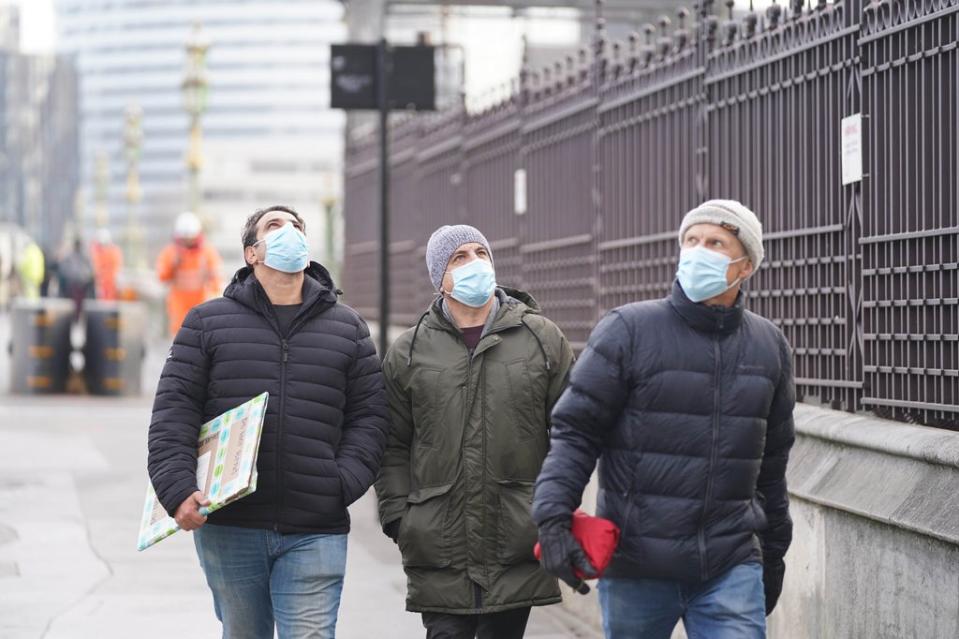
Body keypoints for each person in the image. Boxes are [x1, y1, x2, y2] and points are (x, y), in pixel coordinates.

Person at [532, 200, 796, 639]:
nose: (698, 251)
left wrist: (773, 557)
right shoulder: (628, 330)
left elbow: (772, 466)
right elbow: (575, 433)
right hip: (638, 564)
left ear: (745, 266)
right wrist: (553, 518)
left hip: (729, 565)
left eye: (715, 242)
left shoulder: (769, 347)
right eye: (691, 240)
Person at [148, 205, 390, 639]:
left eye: (296, 226)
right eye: (274, 226)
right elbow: (174, 411)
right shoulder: (207, 324)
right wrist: (177, 488)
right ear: (251, 253)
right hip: (231, 525)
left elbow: (370, 417)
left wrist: (339, 484)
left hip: (315, 527)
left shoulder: (347, 329)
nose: (289, 232)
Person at [375, 225, 575, 639]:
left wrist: (555, 507)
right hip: (439, 543)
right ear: (439, 277)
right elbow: (392, 444)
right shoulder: (409, 351)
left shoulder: (541, 339)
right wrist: (399, 517)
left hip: (516, 538)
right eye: (459, 258)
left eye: (480, 252)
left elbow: (570, 433)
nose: (474, 264)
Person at [156, 211, 222, 336]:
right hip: (178, 304)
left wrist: (214, 295)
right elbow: (162, 277)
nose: (187, 242)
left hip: (202, 302)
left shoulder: (207, 252)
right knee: (180, 336)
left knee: (202, 335)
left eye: (190, 238)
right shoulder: (170, 252)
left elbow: (216, 278)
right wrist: (173, 264)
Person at [56, 236, 96, 319]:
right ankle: (74, 317)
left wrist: (85, 277)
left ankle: (79, 317)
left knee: (81, 304)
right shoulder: (70, 256)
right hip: (73, 283)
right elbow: (64, 269)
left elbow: (90, 270)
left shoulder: (84, 256)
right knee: (73, 304)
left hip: (82, 284)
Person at [90, 227, 123, 300]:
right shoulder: (96, 251)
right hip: (101, 283)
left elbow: (116, 268)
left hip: (110, 284)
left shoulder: (113, 252)